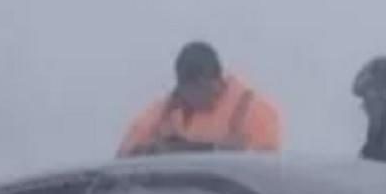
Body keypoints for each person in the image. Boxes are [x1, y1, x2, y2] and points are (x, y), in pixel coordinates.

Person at [118, 41, 283, 157]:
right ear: (182, 87)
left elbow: (261, 170)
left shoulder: (256, 112)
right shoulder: (163, 112)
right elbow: (124, 157)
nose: (198, 97)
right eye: (191, 90)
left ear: (218, 81)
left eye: (204, 88)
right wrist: (150, 151)